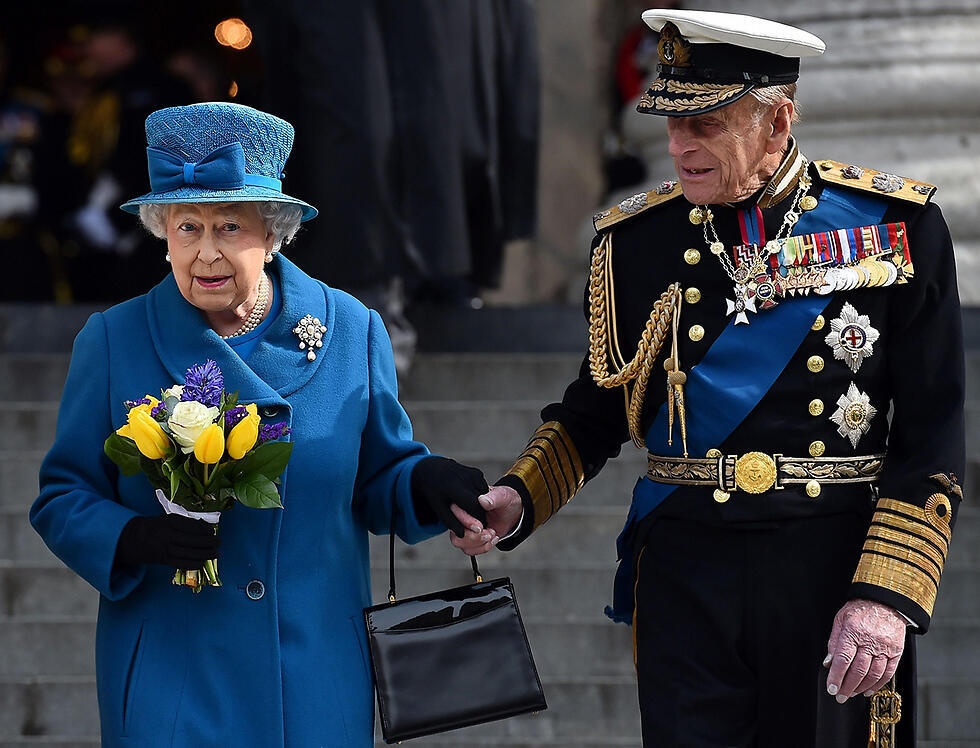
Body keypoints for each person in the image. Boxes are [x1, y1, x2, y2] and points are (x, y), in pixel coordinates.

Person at [455, 10, 964, 747]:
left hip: (830, 561)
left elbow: (932, 432)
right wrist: (518, 497)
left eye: (707, 124)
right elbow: (596, 410)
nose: (679, 146)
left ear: (777, 122)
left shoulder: (895, 226)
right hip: (687, 567)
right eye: (672, 123)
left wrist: (886, 593)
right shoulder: (635, 241)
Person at [29, 102, 493, 747]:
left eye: (229, 226)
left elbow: (380, 475)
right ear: (163, 233)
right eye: (187, 227)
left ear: (273, 233)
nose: (206, 252)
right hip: (173, 675)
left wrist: (424, 483)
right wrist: (132, 536)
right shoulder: (113, 340)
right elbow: (62, 497)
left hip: (314, 672)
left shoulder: (352, 329)